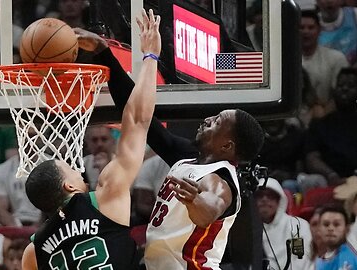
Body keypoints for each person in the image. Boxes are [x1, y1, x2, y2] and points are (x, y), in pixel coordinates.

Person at [75, 20, 265, 270]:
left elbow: (212, 208)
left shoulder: (220, 179)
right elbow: (138, 118)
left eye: (217, 121)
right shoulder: (186, 156)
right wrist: (104, 54)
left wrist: (197, 203)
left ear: (227, 146)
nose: (208, 120)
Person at [21, 9, 161, 270]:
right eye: (72, 171)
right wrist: (150, 56)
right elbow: (138, 120)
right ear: (69, 187)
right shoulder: (107, 195)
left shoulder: (33, 250)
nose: (78, 171)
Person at [305, 67, 357, 186]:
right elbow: (312, 158)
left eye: (351, 86)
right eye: (340, 85)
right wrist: (331, 175)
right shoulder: (319, 124)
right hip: (329, 178)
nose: (344, 89)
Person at [255, 178, 314, 270]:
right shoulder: (246, 229)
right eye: (260, 195)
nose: (264, 199)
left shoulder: (297, 225)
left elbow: (303, 259)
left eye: (270, 196)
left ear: (279, 201)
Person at [301, 10, 349, 120]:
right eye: (301, 27)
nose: (305, 31)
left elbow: (343, 95)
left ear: (319, 30)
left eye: (311, 27)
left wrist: (323, 114)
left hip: (329, 119)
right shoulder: (284, 60)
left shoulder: (336, 58)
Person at [0, 155, 43, 226]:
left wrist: (39, 229)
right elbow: (1, 210)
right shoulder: (1, 170)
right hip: (15, 223)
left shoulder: (53, 165)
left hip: (44, 224)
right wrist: (18, 229)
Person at [315, 205, 357, 270]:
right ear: (319, 229)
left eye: (336, 224)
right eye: (326, 224)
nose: (331, 228)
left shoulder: (353, 256)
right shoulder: (317, 263)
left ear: (347, 229)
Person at [83, 125, 116, 190]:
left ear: (113, 141)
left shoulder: (123, 164)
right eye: (94, 140)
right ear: (87, 143)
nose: (99, 144)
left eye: (104, 139)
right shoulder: (82, 165)